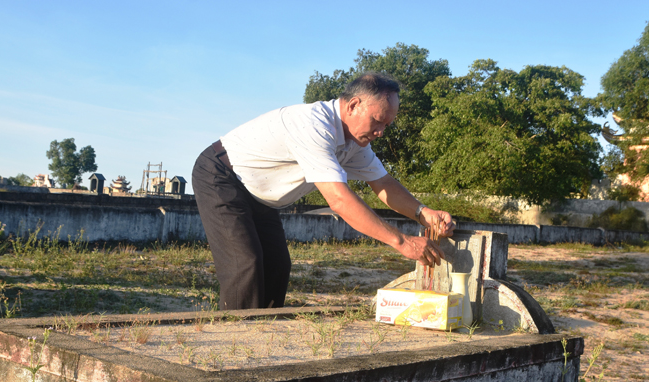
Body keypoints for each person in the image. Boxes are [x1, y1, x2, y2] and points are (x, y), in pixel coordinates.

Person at [192, 72, 455, 310]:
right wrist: (402, 242)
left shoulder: (355, 143)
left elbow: (383, 184)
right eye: (377, 121)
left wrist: (424, 213)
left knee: (277, 266)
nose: (381, 132)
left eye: (386, 125)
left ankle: (262, 339)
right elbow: (339, 200)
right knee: (245, 264)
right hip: (223, 175)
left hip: (260, 195)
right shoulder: (314, 126)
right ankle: (234, 344)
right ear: (353, 105)